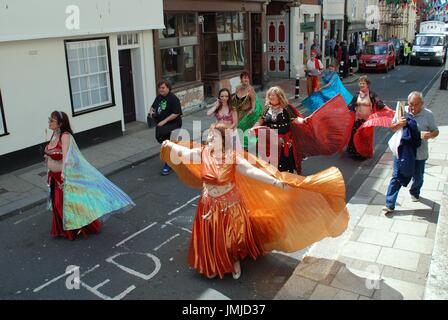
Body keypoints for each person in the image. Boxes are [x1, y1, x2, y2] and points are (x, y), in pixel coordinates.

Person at [160, 123, 349, 279]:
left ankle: (234, 261)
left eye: (213, 137)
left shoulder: (233, 158)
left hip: (230, 205)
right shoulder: (202, 154)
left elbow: (251, 171)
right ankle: (214, 262)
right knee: (212, 236)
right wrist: (170, 145)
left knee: (231, 238)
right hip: (209, 204)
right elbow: (183, 154)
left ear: (223, 140)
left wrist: (275, 181)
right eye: (208, 137)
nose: (209, 140)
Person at [44, 111, 135, 240]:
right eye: (50, 119)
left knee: (64, 205)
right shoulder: (54, 134)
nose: (49, 122)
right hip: (53, 177)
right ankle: (63, 229)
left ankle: (75, 229)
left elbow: (66, 156)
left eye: (52, 120)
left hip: (63, 177)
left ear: (60, 123)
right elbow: (51, 152)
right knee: (58, 205)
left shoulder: (65, 136)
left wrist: (64, 172)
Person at [251, 86, 354, 174]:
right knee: (268, 161)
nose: (271, 97)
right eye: (269, 95)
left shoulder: (286, 108)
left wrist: (304, 120)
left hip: (283, 140)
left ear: (280, 97)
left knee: (282, 162)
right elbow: (260, 120)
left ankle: (284, 179)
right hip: (269, 140)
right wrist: (254, 128)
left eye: (273, 95)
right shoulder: (266, 108)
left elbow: (295, 119)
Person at [383, 92, 439, 213]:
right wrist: (399, 123)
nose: (412, 108)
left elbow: (436, 131)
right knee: (396, 177)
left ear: (422, 104)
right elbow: (392, 127)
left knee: (418, 177)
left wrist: (429, 135)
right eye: (410, 104)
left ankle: (414, 191)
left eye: (415, 105)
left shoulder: (428, 115)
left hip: (420, 153)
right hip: (403, 151)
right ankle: (389, 204)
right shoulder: (402, 111)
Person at [347, 75, 394, 160]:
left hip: (367, 121)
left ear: (367, 84)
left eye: (363, 83)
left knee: (365, 137)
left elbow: (380, 104)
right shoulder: (357, 95)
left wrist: (390, 110)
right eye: (360, 83)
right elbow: (350, 106)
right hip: (357, 120)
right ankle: (355, 153)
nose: (361, 85)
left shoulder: (372, 94)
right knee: (355, 135)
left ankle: (363, 153)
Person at [149, 80, 183, 176]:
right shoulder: (159, 97)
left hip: (173, 125)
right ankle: (177, 157)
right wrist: (151, 111)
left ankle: (168, 164)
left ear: (168, 88)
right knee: (164, 143)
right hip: (161, 125)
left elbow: (176, 113)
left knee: (168, 144)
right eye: (159, 88)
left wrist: (164, 121)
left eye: (163, 88)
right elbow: (153, 107)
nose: (161, 90)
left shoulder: (173, 99)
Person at [230, 71, 263, 149]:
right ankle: (238, 145)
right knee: (237, 129)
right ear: (241, 79)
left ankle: (246, 146)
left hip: (248, 113)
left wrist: (252, 109)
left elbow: (253, 101)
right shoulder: (238, 88)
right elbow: (235, 98)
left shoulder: (250, 89)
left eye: (247, 78)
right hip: (239, 112)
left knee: (241, 129)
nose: (246, 79)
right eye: (244, 78)